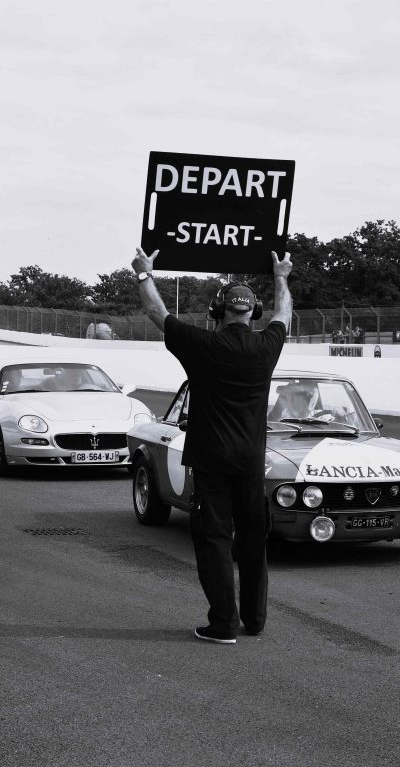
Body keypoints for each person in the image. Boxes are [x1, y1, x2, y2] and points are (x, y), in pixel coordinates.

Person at [132, 246, 293, 645]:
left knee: (215, 541)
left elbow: (158, 314)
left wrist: (143, 274)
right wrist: (281, 276)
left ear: (218, 312)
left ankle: (223, 624)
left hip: (211, 461)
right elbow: (284, 315)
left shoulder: (202, 345)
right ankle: (254, 620)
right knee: (254, 540)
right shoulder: (267, 347)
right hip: (252, 462)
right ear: (252, 313)